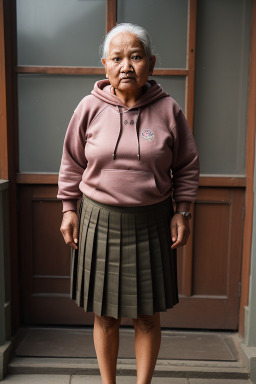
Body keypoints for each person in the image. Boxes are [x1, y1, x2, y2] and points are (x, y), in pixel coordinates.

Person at [57, 23, 199, 384]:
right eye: (117, 58)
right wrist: (68, 209)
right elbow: (72, 162)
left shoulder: (169, 110)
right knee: (105, 314)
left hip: (152, 221)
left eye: (135, 57)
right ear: (104, 64)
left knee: (147, 314)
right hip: (98, 220)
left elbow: (186, 165)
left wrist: (182, 211)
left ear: (150, 63)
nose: (126, 66)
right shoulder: (89, 107)